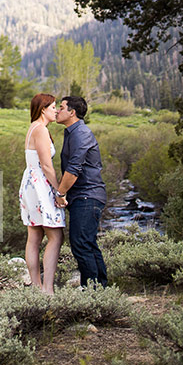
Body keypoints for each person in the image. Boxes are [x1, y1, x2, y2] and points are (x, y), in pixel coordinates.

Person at [55, 95, 108, 288]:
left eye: (61, 108)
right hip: (84, 196)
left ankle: (92, 292)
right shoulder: (72, 132)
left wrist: (60, 194)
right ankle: (100, 290)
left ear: (72, 112)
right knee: (87, 243)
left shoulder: (80, 133)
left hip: (88, 195)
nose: (57, 111)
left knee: (81, 244)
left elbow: (73, 169)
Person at [19, 93, 65, 293]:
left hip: (29, 183)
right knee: (55, 236)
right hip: (40, 185)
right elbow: (46, 165)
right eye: (53, 107)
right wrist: (58, 191)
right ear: (43, 109)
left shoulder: (33, 128)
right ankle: (47, 289)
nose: (56, 111)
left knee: (34, 236)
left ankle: (37, 288)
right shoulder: (41, 130)